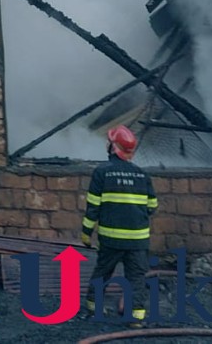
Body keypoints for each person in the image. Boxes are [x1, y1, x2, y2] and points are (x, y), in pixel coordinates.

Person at [81, 125, 159, 328]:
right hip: (138, 240)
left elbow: (93, 207)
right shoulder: (142, 175)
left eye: (109, 141)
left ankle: (94, 307)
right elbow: (152, 206)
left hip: (111, 239)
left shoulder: (101, 173)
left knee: (103, 272)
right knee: (136, 278)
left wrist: (86, 233)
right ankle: (136, 318)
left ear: (113, 147)